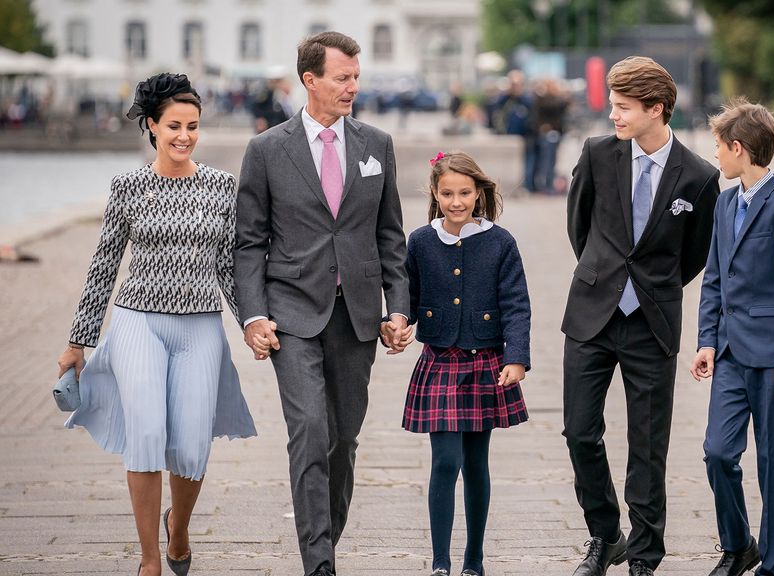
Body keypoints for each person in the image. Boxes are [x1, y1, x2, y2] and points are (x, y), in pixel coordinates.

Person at [56, 72, 256, 576]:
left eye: (192, 125)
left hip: (200, 329)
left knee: (191, 446)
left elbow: (229, 269)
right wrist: (78, 342)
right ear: (151, 126)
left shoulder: (221, 186)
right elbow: (103, 265)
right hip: (136, 324)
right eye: (173, 126)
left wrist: (252, 323)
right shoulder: (128, 186)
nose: (184, 135)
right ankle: (149, 561)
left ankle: (179, 529)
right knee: (145, 434)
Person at [233, 31, 409, 576]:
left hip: (356, 315)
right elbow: (248, 242)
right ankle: (319, 563)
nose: (352, 87)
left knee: (343, 440)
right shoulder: (266, 149)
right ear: (310, 80)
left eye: (356, 77)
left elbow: (391, 236)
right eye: (342, 78)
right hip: (293, 313)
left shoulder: (376, 145)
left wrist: (398, 308)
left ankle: (325, 536)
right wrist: (254, 315)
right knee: (310, 428)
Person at [562, 56, 719, 576]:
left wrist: (650, 288)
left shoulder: (699, 177)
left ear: (657, 109)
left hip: (652, 322)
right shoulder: (597, 154)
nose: (613, 116)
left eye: (624, 108)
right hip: (592, 314)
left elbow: (696, 255)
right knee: (580, 431)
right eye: (613, 105)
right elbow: (579, 228)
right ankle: (606, 535)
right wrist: (603, 275)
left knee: (648, 444)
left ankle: (646, 555)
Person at [690, 99, 774, 576]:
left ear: (739, 148)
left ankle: (772, 565)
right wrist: (705, 340)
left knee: (772, 464)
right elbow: (714, 278)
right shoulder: (723, 203)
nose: (715, 155)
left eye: (718, 147)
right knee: (718, 452)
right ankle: (739, 544)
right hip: (730, 355)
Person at [398, 151, 531, 576]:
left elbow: (516, 304)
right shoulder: (420, 240)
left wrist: (517, 358)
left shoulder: (501, 241)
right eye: (447, 193)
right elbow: (409, 297)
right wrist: (399, 323)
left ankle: (474, 560)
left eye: (465, 193)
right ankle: (440, 562)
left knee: (476, 463)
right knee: (445, 461)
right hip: (438, 362)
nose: (456, 201)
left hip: (486, 363)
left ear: (479, 193)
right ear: (435, 195)